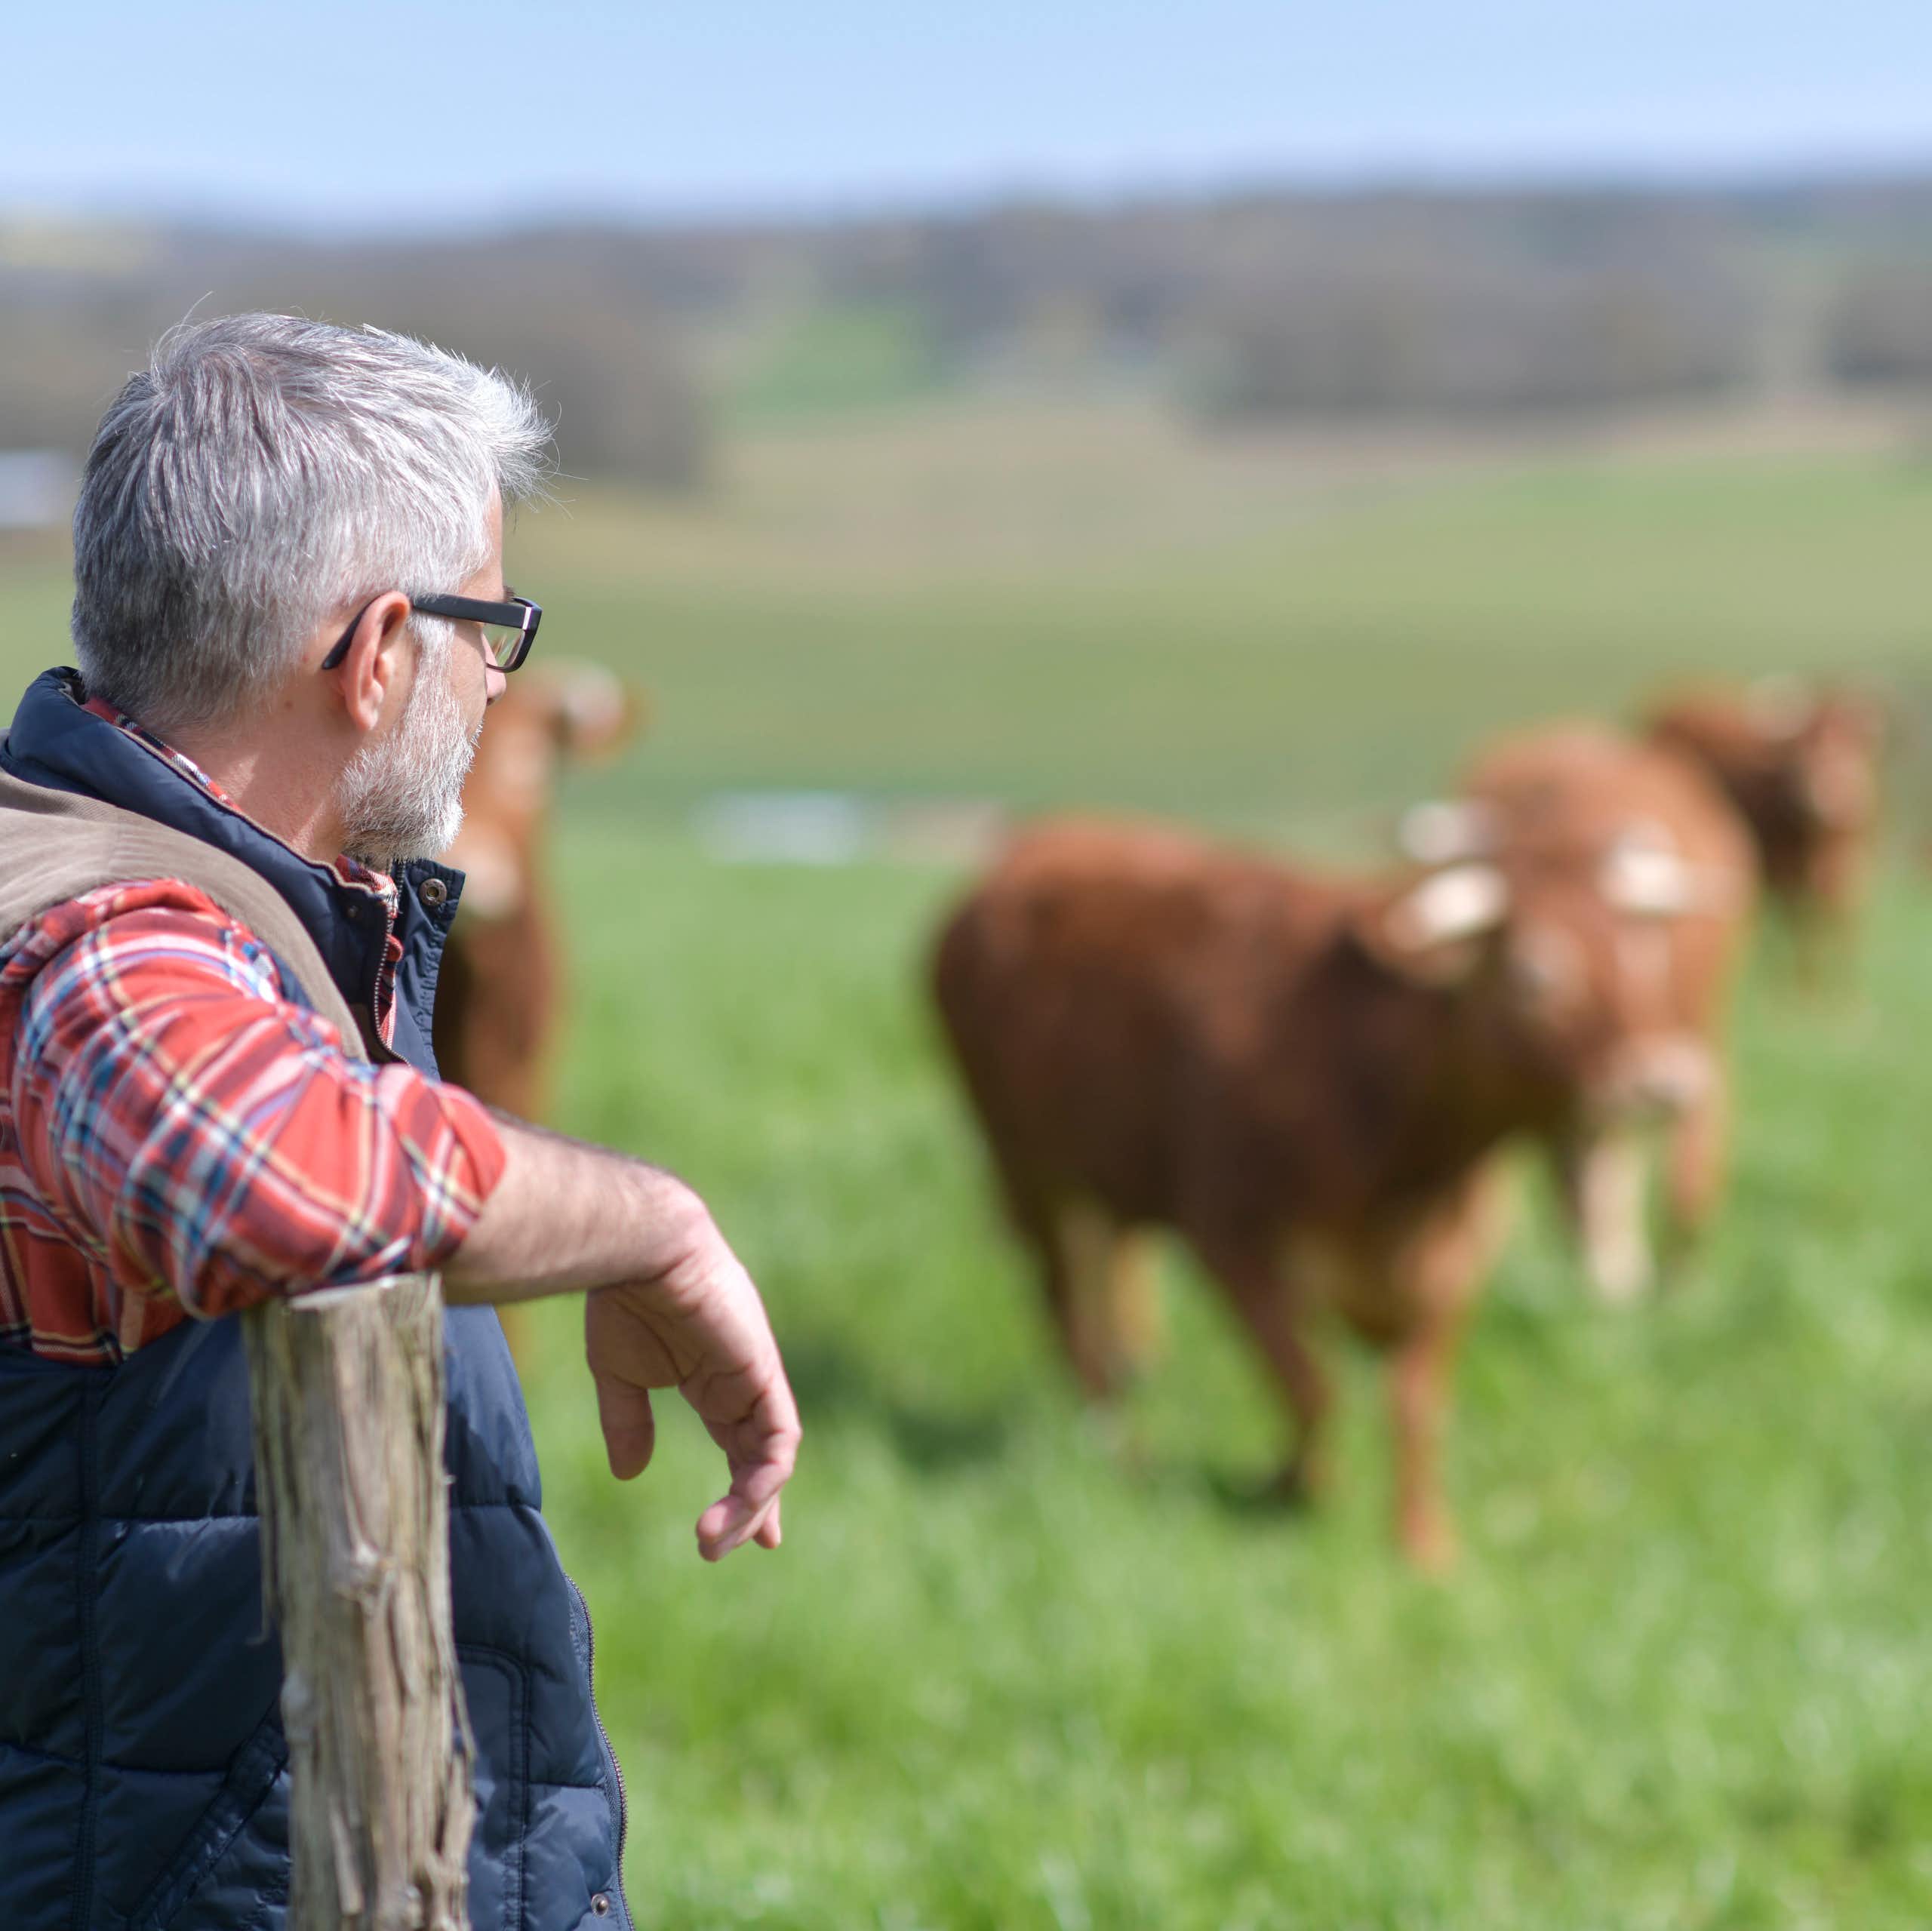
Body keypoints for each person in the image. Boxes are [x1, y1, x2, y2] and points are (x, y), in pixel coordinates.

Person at [0, 315, 801, 1931]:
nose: (494, 682)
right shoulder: (100, 932)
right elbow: (268, 1178)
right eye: (486, 627)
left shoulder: (249, 909)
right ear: (377, 652)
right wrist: (650, 1218)